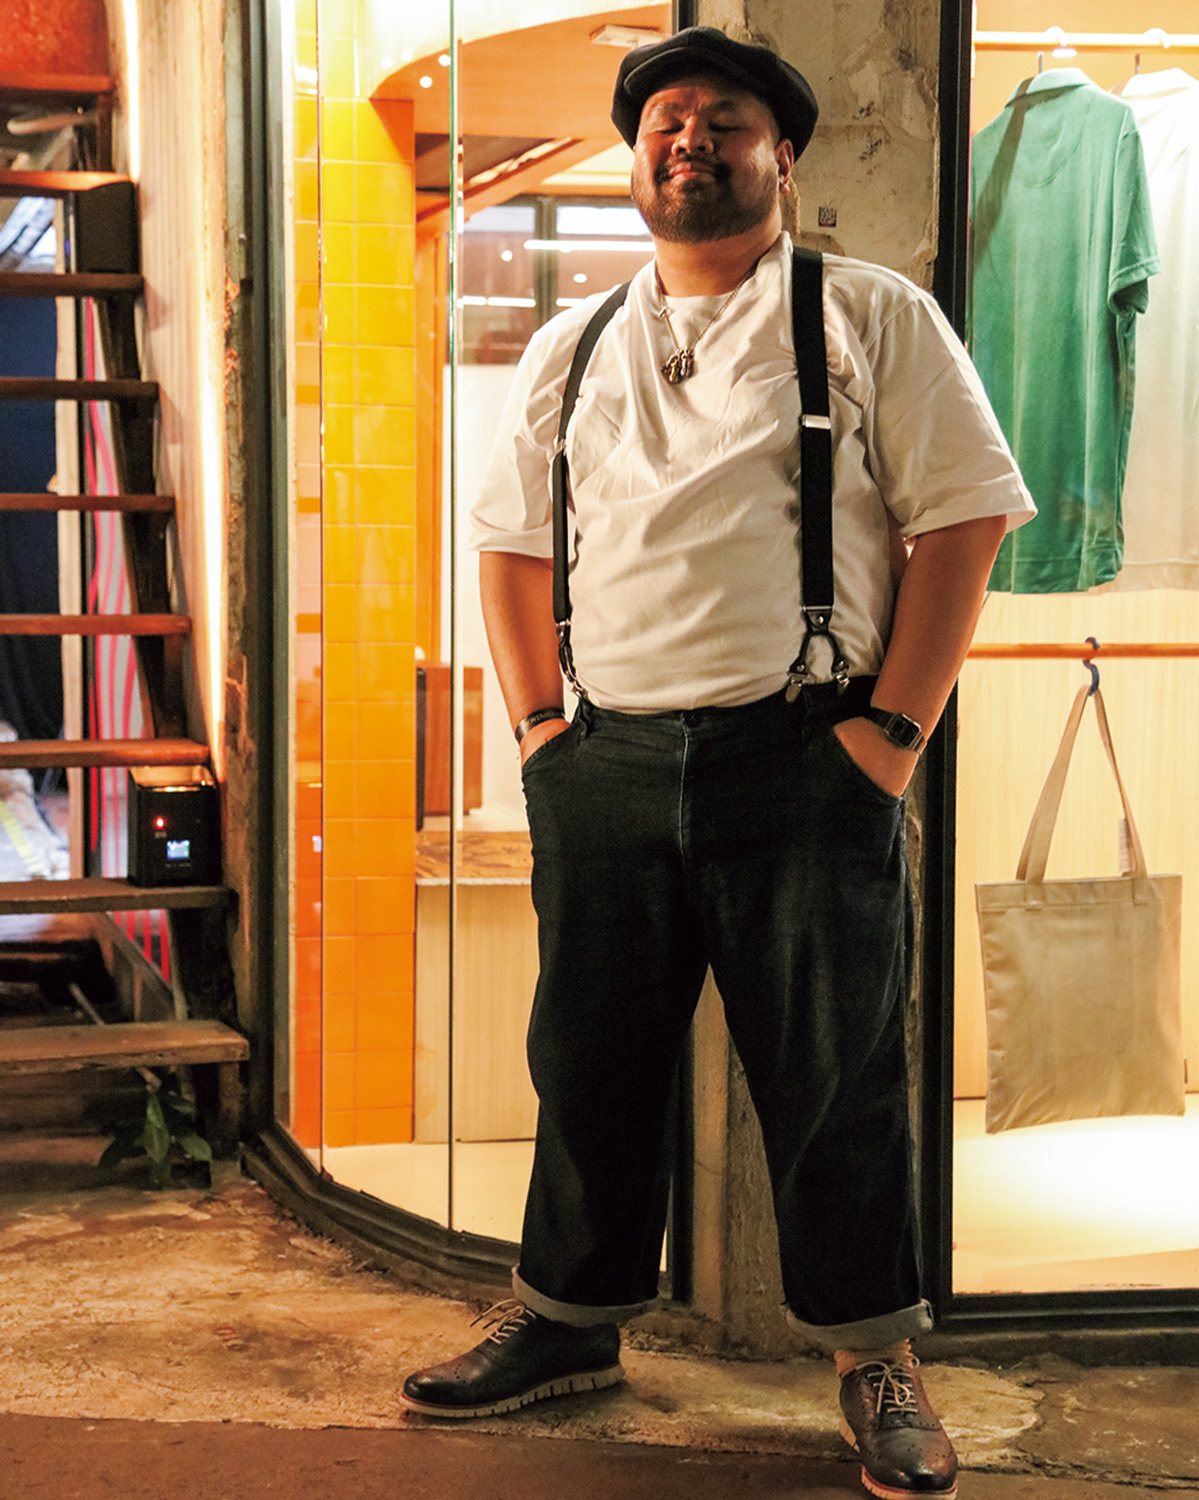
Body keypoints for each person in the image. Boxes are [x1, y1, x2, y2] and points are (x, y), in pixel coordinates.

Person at [402, 27, 1034, 1500]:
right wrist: (541, 733)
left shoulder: (869, 315)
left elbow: (965, 519)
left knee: (836, 1072)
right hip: (607, 762)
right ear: (638, 162)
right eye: (665, 122)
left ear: (782, 156)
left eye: (725, 120)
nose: (690, 139)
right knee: (588, 1060)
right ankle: (570, 1319)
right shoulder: (571, 345)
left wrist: (891, 738)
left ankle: (873, 1355)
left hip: (807, 759)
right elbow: (511, 547)